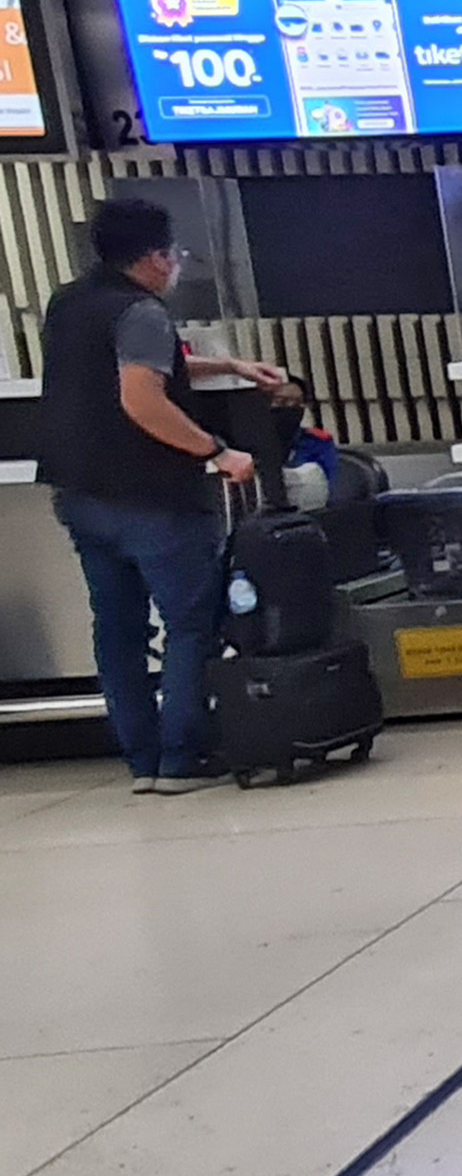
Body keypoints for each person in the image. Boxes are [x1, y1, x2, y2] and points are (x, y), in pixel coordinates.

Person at [35, 198, 289, 795]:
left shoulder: (68, 303)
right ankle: (183, 756)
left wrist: (228, 365)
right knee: (190, 624)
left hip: (81, 493)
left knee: (118, 629)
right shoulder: (142, 311)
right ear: (154, 258)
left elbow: (141, 366)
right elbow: (142, 398)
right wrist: (216, 452)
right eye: (174, 254)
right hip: (150, 497)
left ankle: (143, 760)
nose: (176, 263)